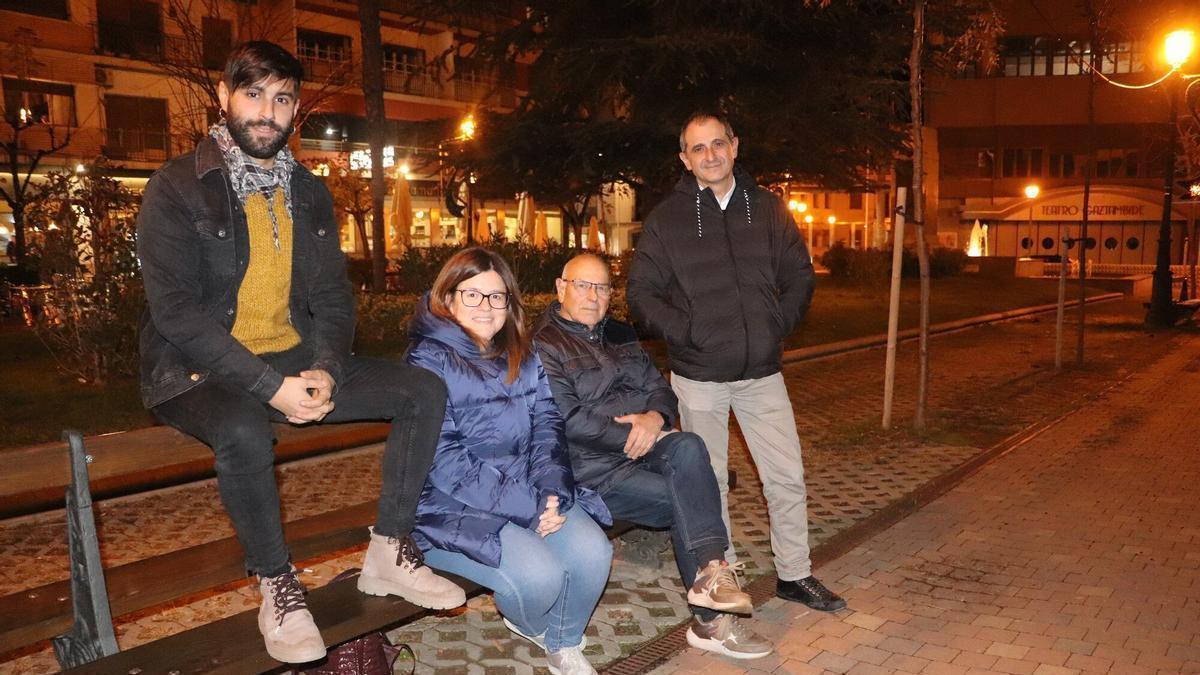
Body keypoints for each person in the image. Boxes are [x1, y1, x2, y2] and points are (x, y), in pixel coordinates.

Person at [136, 41, 464, 664]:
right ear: (226, 96)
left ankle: (389, 549)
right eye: (253, 95)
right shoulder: (179, 186)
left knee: (423, 390)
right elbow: (174, 312)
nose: (266, 111)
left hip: (287, 359)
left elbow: (333, 300)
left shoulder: (308, 192)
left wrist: (325, 369)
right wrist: (270, 388)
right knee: (242, 428)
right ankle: (277, 584)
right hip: (194, 369)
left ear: (295, 111)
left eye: (281, 98)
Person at [626, 112, 846, 612]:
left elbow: (799, 275)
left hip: (762, 375)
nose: (710, 155)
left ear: (734, 146)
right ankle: (719, 578)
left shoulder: (767, 209)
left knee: (786, 477)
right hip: (699, 377)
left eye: (717, 144)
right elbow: (642, 294)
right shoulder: (668, 220)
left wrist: (776, 325)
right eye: (697, 148)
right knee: (712, 484)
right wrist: (688, 333)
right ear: (685, 158)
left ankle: (795, 574)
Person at [534, 253, 774, 659]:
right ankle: (710, 619)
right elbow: (567, 420)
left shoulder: (621, 335)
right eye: (583, 285)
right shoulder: (544, 345)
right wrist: (632, 434)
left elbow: (661, 390)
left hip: (642, 448)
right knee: (692, 496)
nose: (593, 296)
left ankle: (711, 573)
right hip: (592, 472)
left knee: (689, 447)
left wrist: (654, 417)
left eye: (603, 287)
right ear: (561, 287)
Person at [406, 247, 614, 675]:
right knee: (540, 578)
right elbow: (443, 460)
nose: (486, 307)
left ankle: (562, 642)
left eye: (497, 296)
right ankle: (536, 626)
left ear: (509, 303)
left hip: (530, 492)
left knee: (593, 554)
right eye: (473, 295)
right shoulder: (426, 361)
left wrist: (551, 493)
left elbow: (547, 426)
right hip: (449, 507)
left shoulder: (523, 353)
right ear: (447, 298)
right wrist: (529, 507)